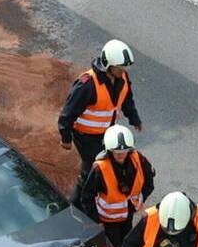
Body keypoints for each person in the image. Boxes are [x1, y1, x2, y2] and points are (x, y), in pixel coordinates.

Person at [59, 40, 142, 169]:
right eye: (119, 68)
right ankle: (85, 187)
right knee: (94, 167)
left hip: (108, 132)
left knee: (112, 162)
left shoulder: (123, 78)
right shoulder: (87, 84)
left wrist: (134, 118)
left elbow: (127, 99)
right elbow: (68, 113)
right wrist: (66, 138)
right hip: (86, 136)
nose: (123, 71)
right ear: (108, 64)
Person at [71, 125, 154, 247]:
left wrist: (139, 201)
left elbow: (149, 182)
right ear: (109, 150)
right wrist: (96, 221)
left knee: (126, 243)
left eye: (124, 151)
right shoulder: (100, 168)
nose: (121, 155)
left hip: (128, 215)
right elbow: (87, 196)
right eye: (117, 152)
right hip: (108, 220)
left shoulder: (138, 159)